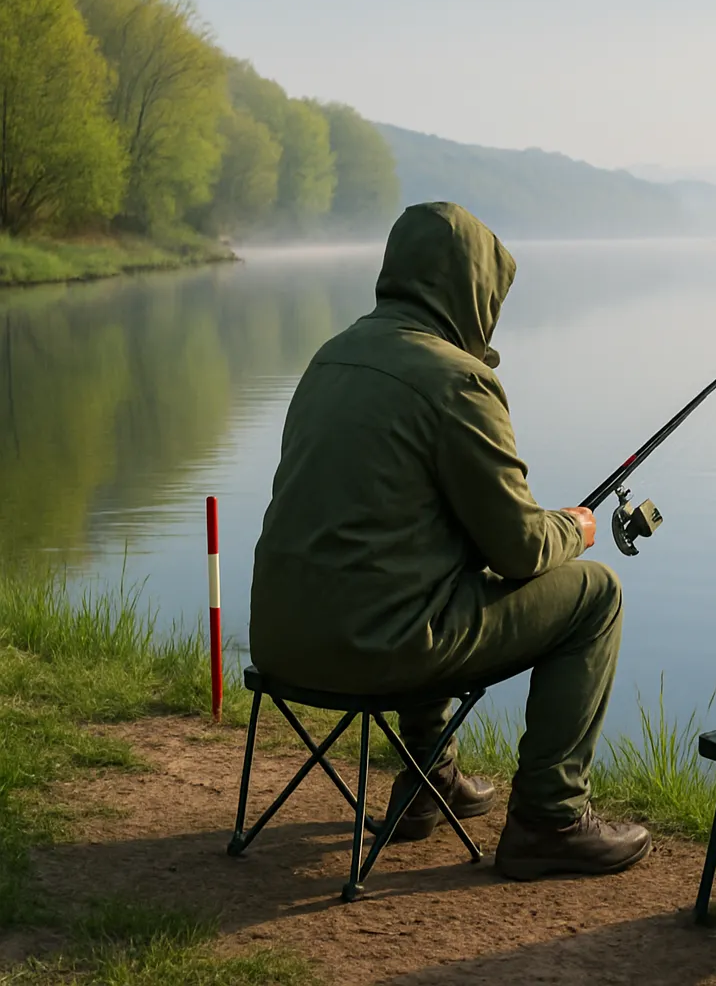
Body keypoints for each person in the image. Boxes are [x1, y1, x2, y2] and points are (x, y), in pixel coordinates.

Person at [248, 201, 651, 881]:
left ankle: (429, 780)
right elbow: (519, 549)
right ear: (473, 289)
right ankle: (550, 820)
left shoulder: (331, 356)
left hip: (282, 641)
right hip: (371, 649)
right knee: (596, 594)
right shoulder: (457, 379)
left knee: (422, 561)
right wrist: (577, 527)